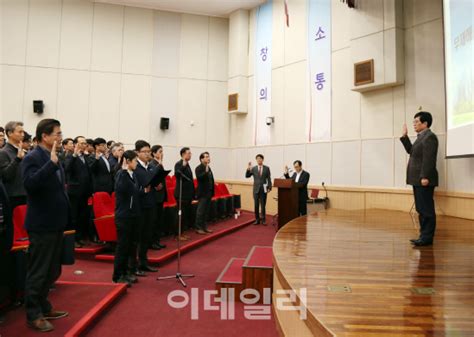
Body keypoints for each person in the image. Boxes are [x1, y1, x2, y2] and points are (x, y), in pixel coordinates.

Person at [21, 119, 69, 332]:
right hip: (41, 224)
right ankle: (33, 314)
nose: (60, 137)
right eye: (57, 134)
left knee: (52, 270)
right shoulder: (33, 157)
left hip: (56, 222)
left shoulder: (55, 157)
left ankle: (43, 305)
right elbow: (30, 185)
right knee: (39, 271)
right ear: (44, 136)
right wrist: (50, 165)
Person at [400, 111, 439, 247]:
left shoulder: (430, 137)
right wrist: (405, 137)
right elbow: (412, 151)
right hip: (417, 179)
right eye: (414, 122)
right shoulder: (421, 137)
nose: (414, 124)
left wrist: (425, 176)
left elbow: (429, 159)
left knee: (426, 209)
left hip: (423, 179)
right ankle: (423, 236)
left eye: (417, 122)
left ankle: (427, 238)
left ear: (425, 123)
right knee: (421, 208)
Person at [113, 150, 142, 287]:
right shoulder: (121, 174)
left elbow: (135, 192)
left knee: (131, 246)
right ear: (128, 161)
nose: (136, 163)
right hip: (124, 216)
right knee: (122, 247)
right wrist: (124, 171)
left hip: (134, 215)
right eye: (135, 160)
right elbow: (121, 188)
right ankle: (118, 275)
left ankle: (126, 273)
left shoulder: (133, 174)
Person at [131, 140, 158, 274]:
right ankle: (134, 265)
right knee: (138, 237)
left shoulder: (152, 167)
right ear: (137, 153)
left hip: (151, 204)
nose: (147, 154)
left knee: (147, 235)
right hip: (139, 206)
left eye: (149, 151)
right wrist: (144, 189)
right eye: (145, 152)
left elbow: (155, 184)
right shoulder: (135, 167)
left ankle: (143, 262)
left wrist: (159, 185)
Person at [64, 136, 93, 247]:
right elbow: (67, 168)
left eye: (85, 143)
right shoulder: (70, 156)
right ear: (75, 144)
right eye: (81, 143)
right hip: (74, 192)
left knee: (82, 216)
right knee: (73, 217)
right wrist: (75, 155)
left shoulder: (85, 157)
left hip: (84, 192)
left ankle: (80, 237)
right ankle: (72, 240)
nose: (84, 145)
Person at [0, 121, 27, 209]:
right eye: (20, 132)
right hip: (13, 197)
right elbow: (6, 175)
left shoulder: (22, 151)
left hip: (25, 194)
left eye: (23, 132)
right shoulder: (3, 152)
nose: (23, 135)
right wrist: (17, 159)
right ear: (10, 133)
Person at [174, 147, 195, 241]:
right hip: (181, 194)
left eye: (190, 153)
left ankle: (182, 232)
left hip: (188, 194)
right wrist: (183, 166)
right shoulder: (179, 164)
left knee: (185, 215)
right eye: (188, 153)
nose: (190, 155)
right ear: (183, 154)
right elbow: (177, 175)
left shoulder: (187, 164)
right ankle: (177, 234)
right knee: (180, 215)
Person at [149, 145, 167, 250]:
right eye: (160, 151)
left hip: (160, 195)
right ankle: (152, 242)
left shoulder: (158, 164)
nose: (162, 153)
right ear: (154, 153)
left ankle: (157, 240)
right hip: (155, 196)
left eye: (162, 151)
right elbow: (152, 176)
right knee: (154, 221)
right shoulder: (153, 164)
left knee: (158, 220)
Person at [246, 154, 272, 225]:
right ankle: (257, 219)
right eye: (257, 159)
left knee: (263, 205)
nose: (259, 160)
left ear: (262, 159)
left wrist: (269, 187)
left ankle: (263, 220)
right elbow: (247, 176)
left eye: (260, 158)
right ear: (256, 160)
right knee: (256, 205)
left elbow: (268, 178)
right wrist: (248, 169)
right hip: (256, 189)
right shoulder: (253, 168)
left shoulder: (267, 168)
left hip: (264, 188)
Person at [194, 152, 214, 235]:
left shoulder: (208, 167)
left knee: (206, 211)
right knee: (200, 211)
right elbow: (199, 177)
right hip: (202, 193)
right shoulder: (198, 168)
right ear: (201, 159)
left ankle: (204, 227)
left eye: (208, 156)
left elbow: (211, 180)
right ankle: (198, 228)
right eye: (206, 157)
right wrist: (205, 172)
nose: (208, 158)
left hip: (209, 192)